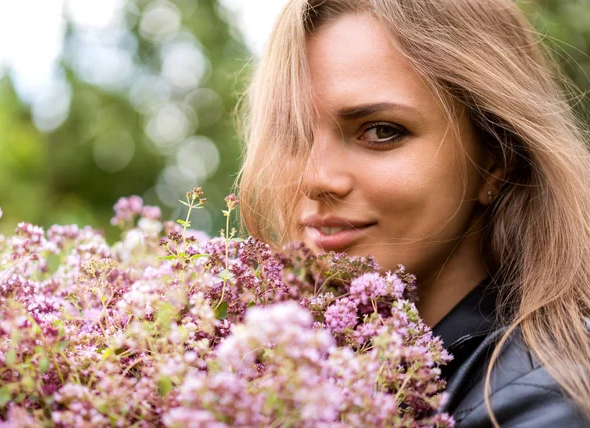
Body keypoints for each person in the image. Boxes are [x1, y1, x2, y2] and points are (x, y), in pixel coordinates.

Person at [236, 0, 590, 426]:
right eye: (292, 134)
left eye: (381, 131)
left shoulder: (543, 404)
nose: (314, 179)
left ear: (496, 157)